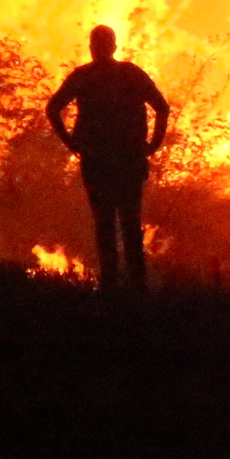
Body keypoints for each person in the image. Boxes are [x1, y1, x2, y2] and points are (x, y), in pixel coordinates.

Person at [45, 24, 170, 292]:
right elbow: (162, 108)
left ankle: (112, 286)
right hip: (124, 160)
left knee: (106, 226)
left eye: (99, 45)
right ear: (113, 47)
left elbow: (53, 109)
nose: (98, 50)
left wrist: (71, 144)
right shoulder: (130, 74)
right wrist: (152, 145)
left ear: (99, 48)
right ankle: (135, 287)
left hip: (100, 161)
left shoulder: (84, 76)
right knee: (128, 223)